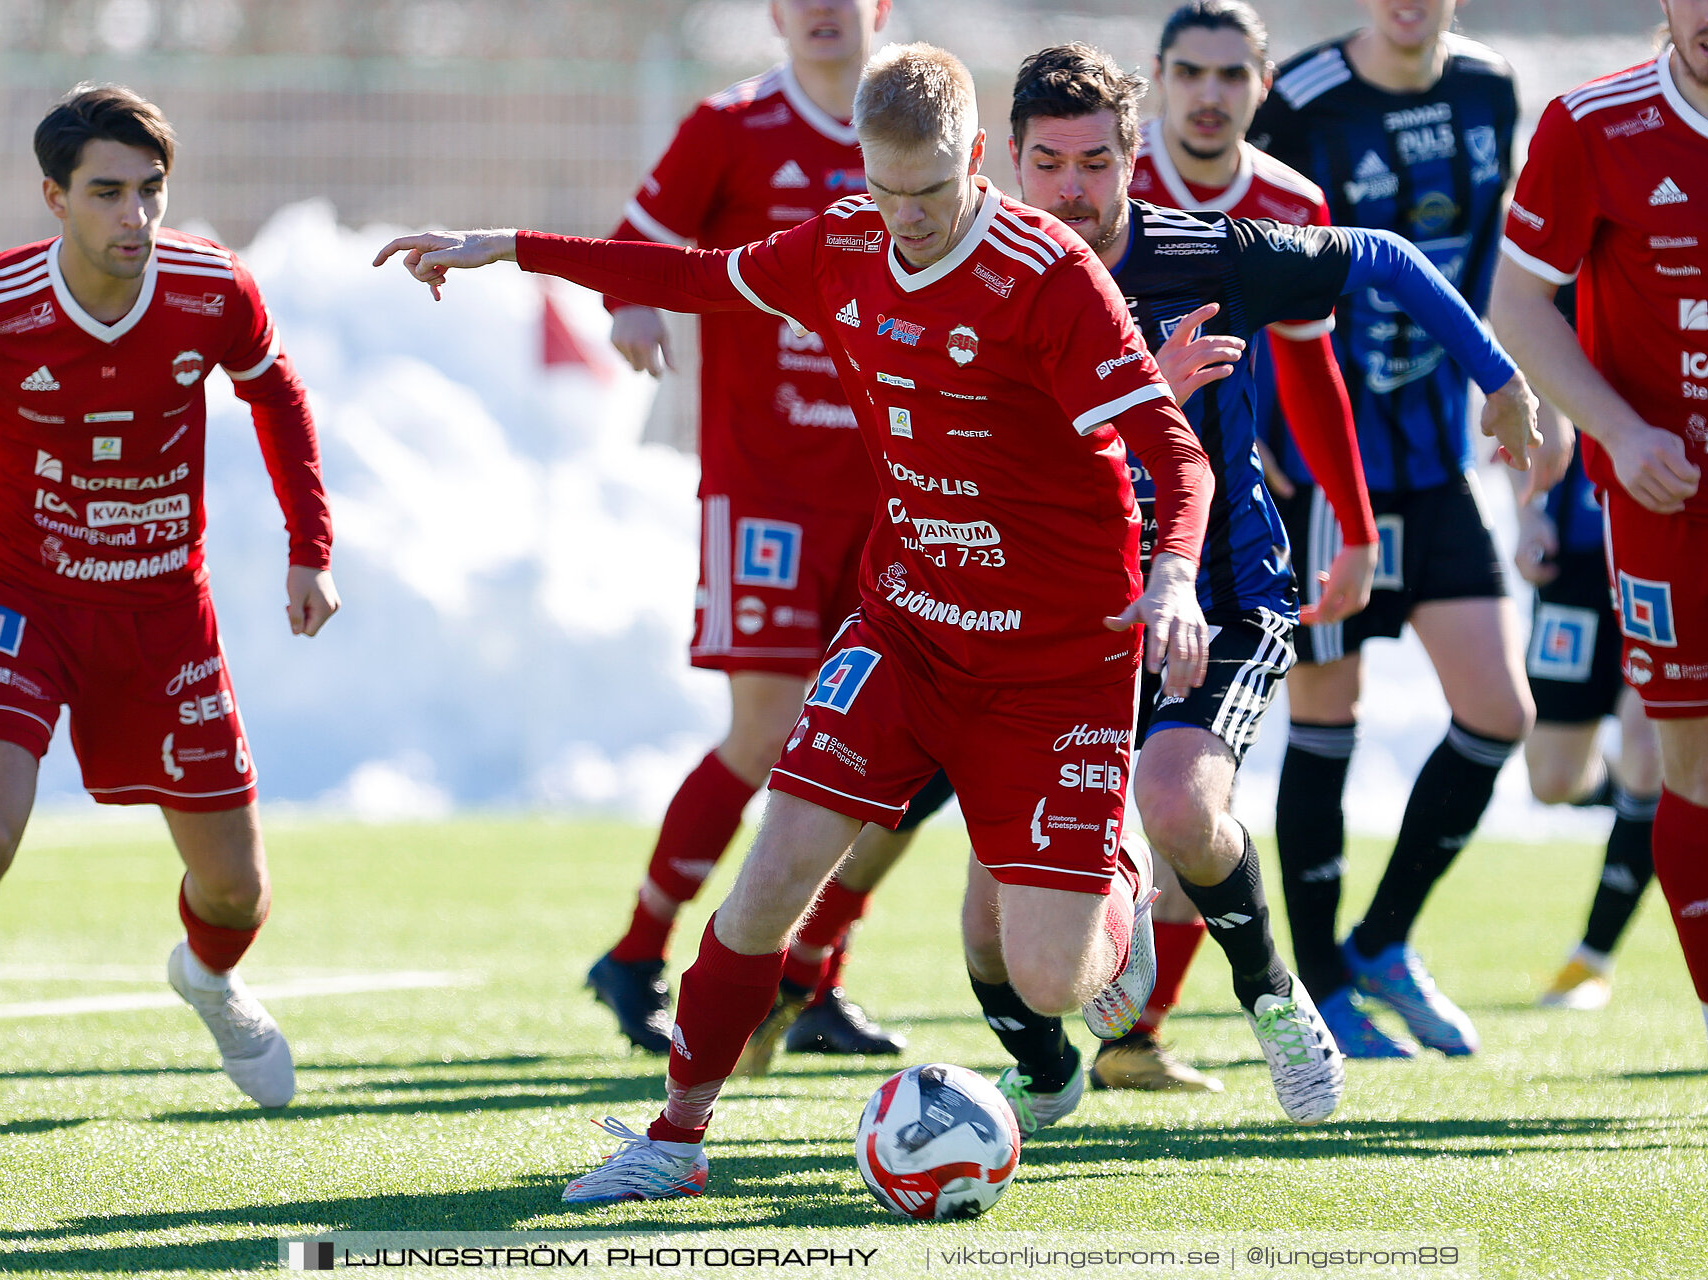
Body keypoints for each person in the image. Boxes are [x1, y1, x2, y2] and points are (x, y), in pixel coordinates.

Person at [378, 42, 1220, 1202]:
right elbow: (699, 275)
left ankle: (1114, 868)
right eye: (884, 189)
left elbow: (1175, 455)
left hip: (1059, 659)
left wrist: (1173, 578)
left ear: (977, 160)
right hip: (909, 627)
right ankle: (675, 1137)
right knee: (770, 877)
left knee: (1049, 976)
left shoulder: (1049, 271)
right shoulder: (842, 243)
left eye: (930, 192)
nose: (906, 218)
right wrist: (507, 247)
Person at [981, 41, 1534, 1131]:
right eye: (1049, 163)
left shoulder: (1206, 253)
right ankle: (1046, 1064)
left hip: (1224, 592)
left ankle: (1276, 998)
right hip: (1063, 612)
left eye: (1097, 160)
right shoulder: (985, 277)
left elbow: (1382, 255)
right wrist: (1133, 402)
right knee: (991, 905)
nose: (1074, 189)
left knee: (1180, 798)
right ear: (1010, 161)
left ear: (1134, 158)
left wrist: (1503, 380)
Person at [0, 85, 338, 1107]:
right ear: (54, 197)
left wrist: (308, 547)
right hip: (19, 599)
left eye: (151, 190)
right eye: (107, 193)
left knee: (235, 889)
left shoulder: (211, 289)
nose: (135, 216)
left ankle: (209, 975)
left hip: (163, 611)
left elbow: (277, 392)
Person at [582, 0, 909, 1062]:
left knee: (880, 742)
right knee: (768, 731)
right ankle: (637, 950)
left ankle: (811, 983)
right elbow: (636, 248)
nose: (822, 10)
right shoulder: (729, 125)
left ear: (881, 10)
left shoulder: (913, 121)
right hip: (762, 487)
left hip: (896, 493)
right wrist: (632, 305)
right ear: (774, 11)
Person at [1081, 0, 1382, 1094]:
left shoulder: (1286, 204)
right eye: (1189, 74)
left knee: (1180, 798)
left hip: (1215, 559)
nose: (1209, 95)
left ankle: (1226, 1005)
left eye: (1230, 75)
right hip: (1075, 560)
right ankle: (1050, 1047)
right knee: (1005, 865)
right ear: (1156, 84)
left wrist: (1351, 513)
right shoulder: (1084, 191)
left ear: (1261, 83)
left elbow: (1311, 367)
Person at [1492, 0, 1708, 1129]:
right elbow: (1520, 302)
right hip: (1672, 505)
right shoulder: (1590, 123)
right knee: (1704, 764)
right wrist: (1614, 426)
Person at [1249, 0, 1542, 1059]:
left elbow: (1487, 265)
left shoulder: (1490, 85)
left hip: (1434, 459)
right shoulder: (1302, 100)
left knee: (1500, 710)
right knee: (1330, 707)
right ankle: (1319, 978)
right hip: (1328, 467)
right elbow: (1254, 260)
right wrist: (1261, 433)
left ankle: (1382, 941)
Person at [1513, 335, 1662, 1012]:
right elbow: (1527, 372)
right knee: (1551, 781)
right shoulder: (1563, 275)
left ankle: (1590, 959)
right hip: (1575, 565)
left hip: (1666, 556)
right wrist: (1530, 505)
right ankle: (1652, 812)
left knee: (1648, 751)